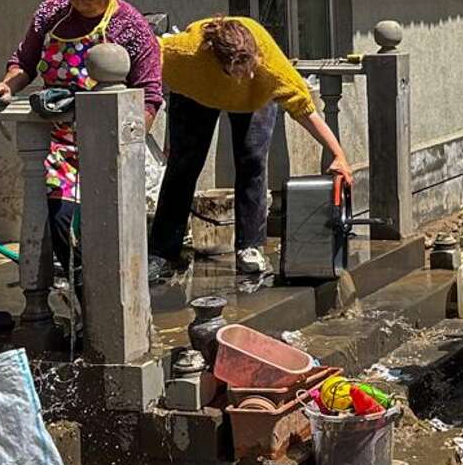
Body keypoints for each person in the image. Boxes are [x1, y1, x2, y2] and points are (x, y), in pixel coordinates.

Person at [0, 0, 164, 305]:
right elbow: (24, 60)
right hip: (58, 144)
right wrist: (8, 85)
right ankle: (83, 303)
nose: (80, 5)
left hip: (107, 145)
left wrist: (125, 146)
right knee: (61, 223)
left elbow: (150, 95)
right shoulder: (50, 14)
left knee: (102, 235)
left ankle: (108, 308)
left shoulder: (130, 26)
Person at [149, 14, 355, 281]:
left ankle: (250, 247)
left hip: (254, 99)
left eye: (252, 67)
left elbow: (305, 111)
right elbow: (146, 56)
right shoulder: (186, 53)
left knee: (253, 162)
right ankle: (163, 252)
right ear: (221, 64)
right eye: (241, 71)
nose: (249, 74)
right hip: (195, 92)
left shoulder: (270, 68)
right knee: (183, 166)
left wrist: (338, 154)